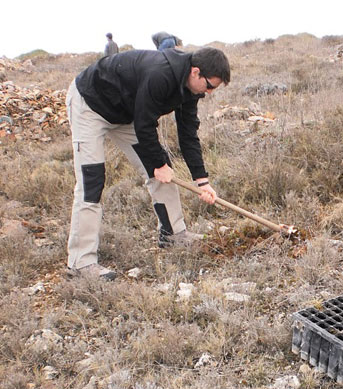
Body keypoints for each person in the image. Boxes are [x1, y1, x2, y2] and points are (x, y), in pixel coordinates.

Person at [65, 47, 230, 280]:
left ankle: (173, 235)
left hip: (126, 114)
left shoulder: (191, 90)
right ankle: (80, 263)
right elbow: (145, 123)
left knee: (164, 171)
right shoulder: (160, 74)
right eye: (210, 86)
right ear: (195, 72)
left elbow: (188, 133)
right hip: (90, 105)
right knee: (91, 181)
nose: (210, 92)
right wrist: (157, 164)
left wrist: (202, 181)